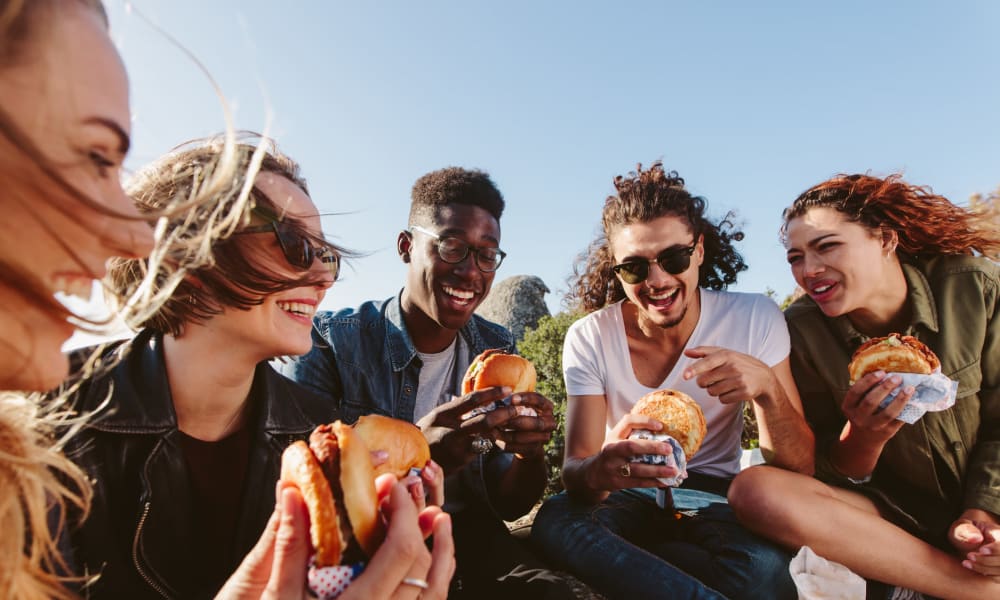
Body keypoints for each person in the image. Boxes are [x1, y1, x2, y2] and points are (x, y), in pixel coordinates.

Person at [0, 2, 452, 598]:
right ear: (184, 254)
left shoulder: (323, 437)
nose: (323, 275)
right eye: (294, 245)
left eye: (328, 254)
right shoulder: (51, 425)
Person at [283, 166, 576, 599]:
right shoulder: (332, 342)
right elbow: (308, 498)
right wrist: (422, 448)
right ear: (407, 246)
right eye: (451, 247)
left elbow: (510, 504)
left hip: (467, 536)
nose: (470, 272)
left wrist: (528, 454)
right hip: (371, 548)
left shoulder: (498, 349)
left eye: (486, 255)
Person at [530, 162, 814, 600]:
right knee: (557, 521)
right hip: (625, 490)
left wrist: (767, 391)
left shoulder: (754, 318)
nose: (658, 281)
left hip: (715, 493)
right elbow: (575, 472)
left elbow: (798, 468)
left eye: (673, 258)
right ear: (616, 270)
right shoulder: (589, 337)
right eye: (635, 268)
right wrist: (603, 468)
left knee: (763, 573)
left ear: (699, 250)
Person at [727, 173, 1000, 599]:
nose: (809, 271)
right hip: (893, 519)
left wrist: (985, 510)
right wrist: (864, 438)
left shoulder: (974, 287)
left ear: (886, 239)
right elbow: (822, 473)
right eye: (795, 258)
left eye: (827, 246)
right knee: (755, 491)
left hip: (988, 497)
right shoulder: (802, 332)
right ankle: (974, 591)